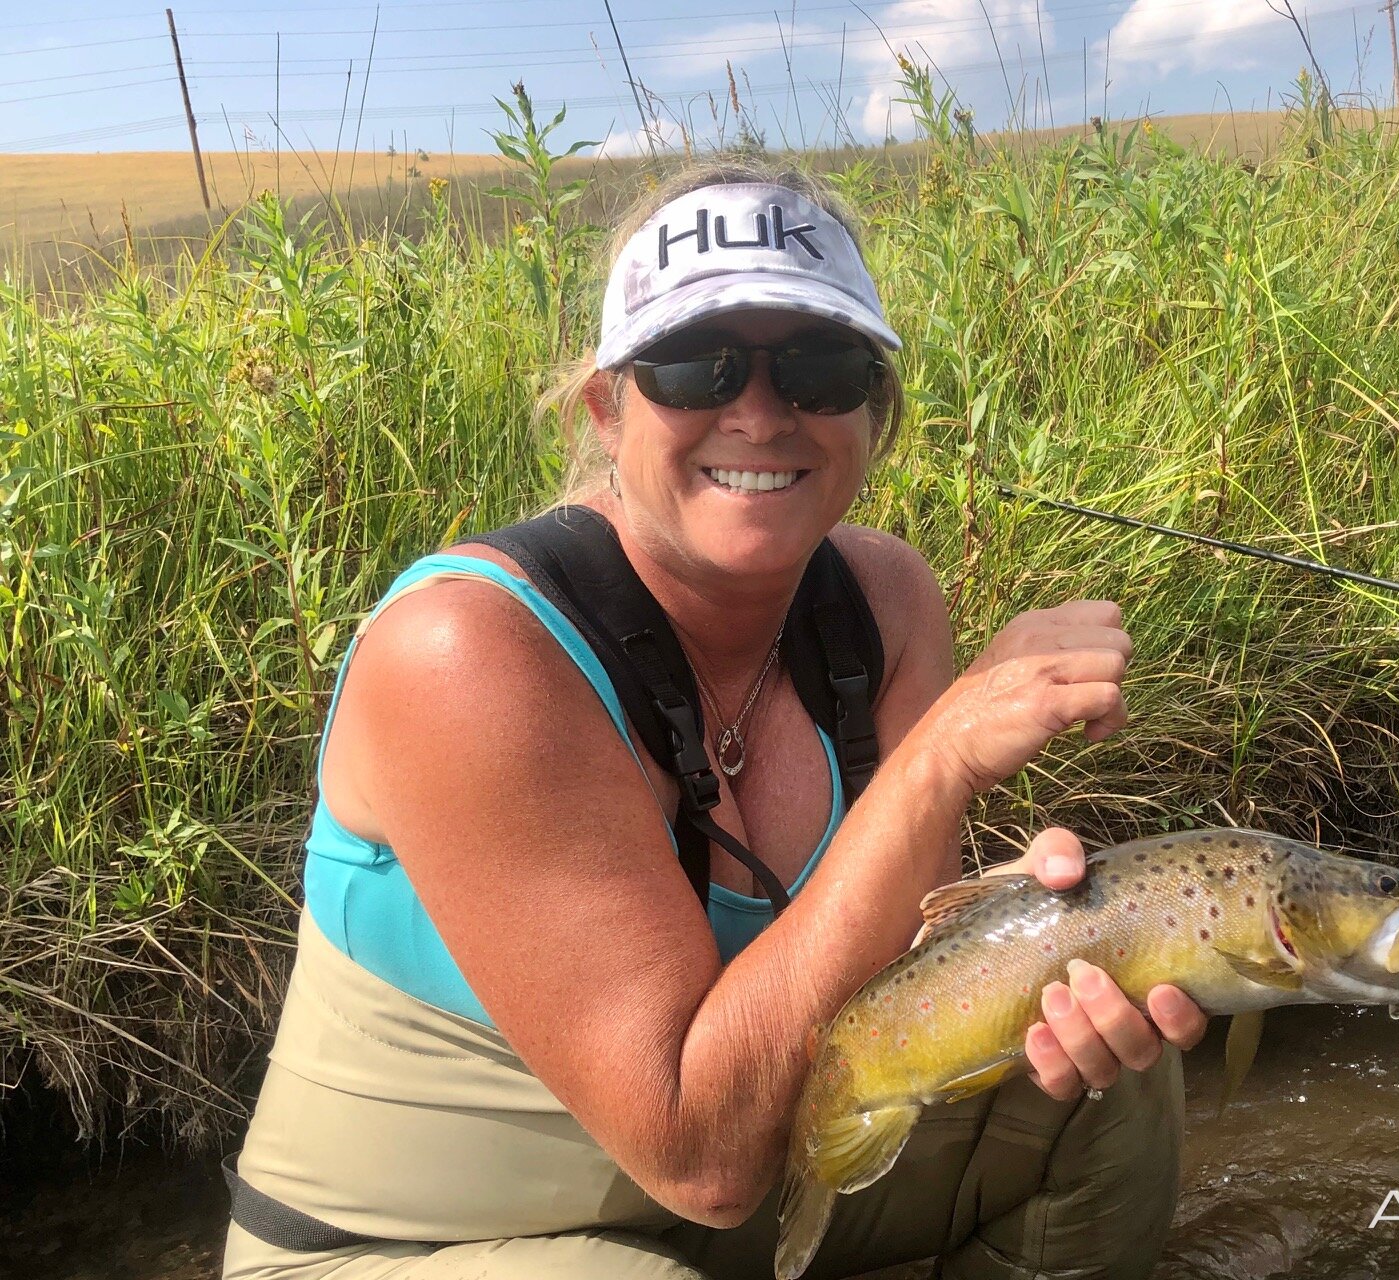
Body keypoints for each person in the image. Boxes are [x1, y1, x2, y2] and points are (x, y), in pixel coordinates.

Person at [221, 162, 1207, 1280]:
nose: (757, 411)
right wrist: (931, 764)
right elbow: (701, 1153)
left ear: (871, 414)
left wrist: (1036, 935)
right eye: (695, 365)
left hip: (735, 1196)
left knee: (1100, 1084)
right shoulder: (469, 653)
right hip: (414, 1243)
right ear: (605, 407)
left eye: (819, 367)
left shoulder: (885, 603)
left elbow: (884, 980)